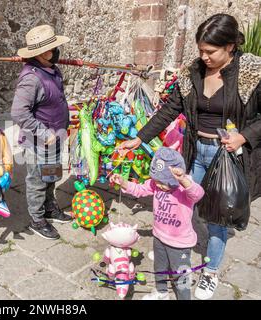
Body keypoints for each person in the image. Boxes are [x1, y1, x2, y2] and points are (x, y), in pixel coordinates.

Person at [119, 14, 261, 299]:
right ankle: (172, 250)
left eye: (211, 51)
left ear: (231, 46)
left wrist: (243, 137)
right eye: (200, 50)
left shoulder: (251, 74)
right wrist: (139, 137)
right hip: (195, 152)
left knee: (218, 218)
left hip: (228, 158)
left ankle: (210, 271)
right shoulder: (192, 73)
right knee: (177, 200)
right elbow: (170, 110)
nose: (204, 57)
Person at [111, 148, 204, 300]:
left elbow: (198, 194)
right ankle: (161, 292)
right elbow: (140, 189)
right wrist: (124, 183)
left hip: (179, 243)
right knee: (159, 268)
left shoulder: (184, 188)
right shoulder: (156, 183)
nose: (159, 186)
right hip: (159, 236)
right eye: (157, 181)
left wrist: (183, 180)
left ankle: (184, 297)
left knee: (180, 274)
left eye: (163, 183)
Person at [11, 25, 72, 240]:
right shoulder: (31, 79)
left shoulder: (53, 70)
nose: (57, 51)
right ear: (43, 52)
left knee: (51, 176)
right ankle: (37, 220)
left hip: (56, 139)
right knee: (37, 182)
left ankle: (49, 209)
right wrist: (44, 133)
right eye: (53, 47)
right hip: (39, 142)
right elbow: (18, 113)